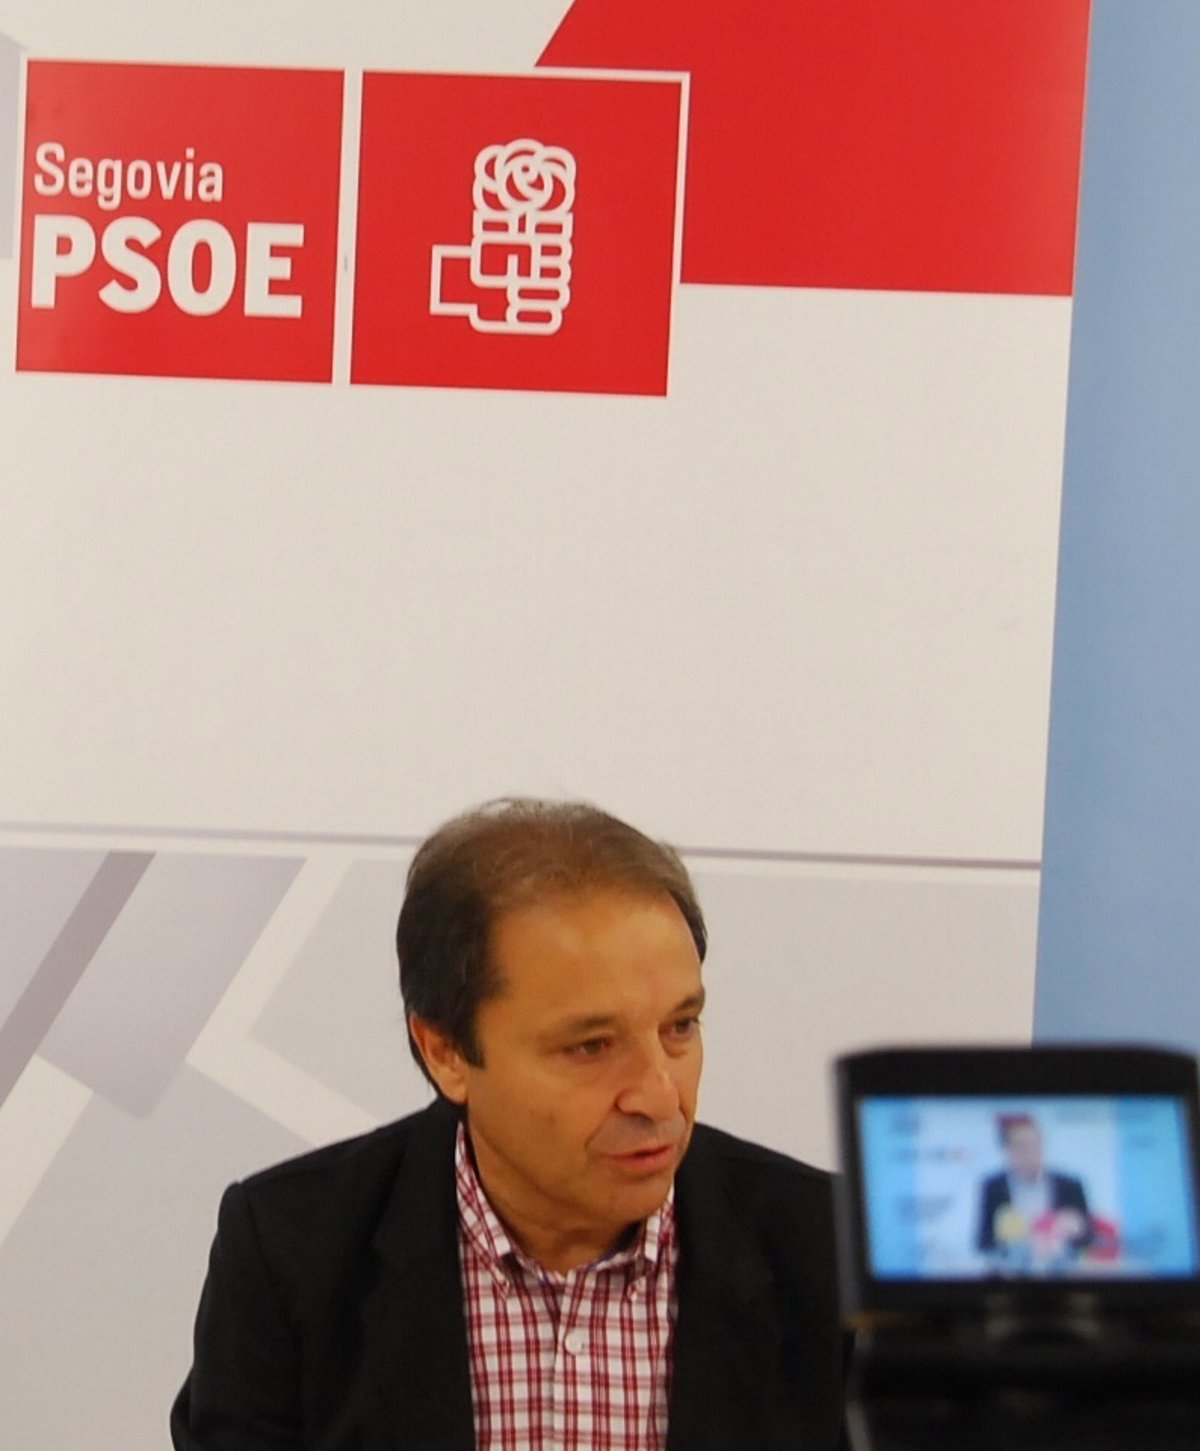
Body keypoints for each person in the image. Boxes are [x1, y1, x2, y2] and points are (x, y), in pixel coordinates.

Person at [171, 799, 847, 1449]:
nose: (659, 1096)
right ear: (445, 1051)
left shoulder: (836, 1252)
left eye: (680, 1027)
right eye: (591, 1045)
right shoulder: (292, 1253)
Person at [976, 1112, 1093, 1261]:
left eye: (1036, 1144)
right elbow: (982, 1243)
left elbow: (1089, 1239)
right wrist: (1012, 1239)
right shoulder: (993, 1186)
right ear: (1007, 1150)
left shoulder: (1070, 1185)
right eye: (1022, 1147)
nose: (1032, 1153)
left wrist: (1075, 1231)